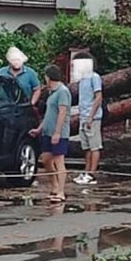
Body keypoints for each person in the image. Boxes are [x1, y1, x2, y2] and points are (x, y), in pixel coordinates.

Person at [29, 64, 71, 203]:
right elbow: (49, 114)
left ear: (49, 77)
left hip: (58, 132)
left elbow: (62, 113)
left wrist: (57, 132)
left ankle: (61, 191)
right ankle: (54, 185)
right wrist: (40, 129)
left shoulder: (62, 91)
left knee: (59, 160)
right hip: (47, 131)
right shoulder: (51, 92)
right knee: (46, 159)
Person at [71, 52, 104, 186]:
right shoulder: (82, 79)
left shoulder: (94, 77)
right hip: (83, 116)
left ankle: (92, 174)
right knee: (86, 147)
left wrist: (91, 116)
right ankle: (86, 171)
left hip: (93, 117)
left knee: (94, 146)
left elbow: (98, 96)